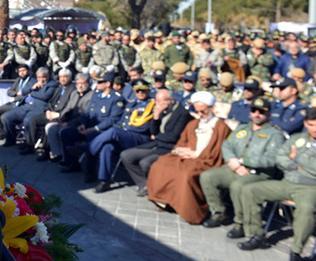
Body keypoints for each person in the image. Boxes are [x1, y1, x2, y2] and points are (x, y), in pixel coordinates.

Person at [237, 107, 316, 261]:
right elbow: (280, 158)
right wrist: (296, 164)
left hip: (311, 188)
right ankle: (256, 235)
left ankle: (296, 252)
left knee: (306, 209)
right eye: (312, 124)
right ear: (306, 123)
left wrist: (296, 157)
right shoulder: (296, 138)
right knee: (250, 190)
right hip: (287, 182)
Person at [199, 98, 285, 237]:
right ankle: (218, 212)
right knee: (208, 177)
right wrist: (233, 161)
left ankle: (241, 222)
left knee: (238, 186)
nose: (257, 114)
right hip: (235, 168)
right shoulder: (242, 128)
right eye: (254, 111)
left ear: (268, 114)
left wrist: (244, 161)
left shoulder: (275, 134)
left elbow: (272, 159)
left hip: (259, 174)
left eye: (261, 112)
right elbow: (227, 145)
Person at [146, 91, 230, 224]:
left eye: (203, 111)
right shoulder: (193, 124)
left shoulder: (221, 127)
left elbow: (216, 153)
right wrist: (181, 150)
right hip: (187, 157)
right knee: (160, 164)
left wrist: (196, 155)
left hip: (206, 160)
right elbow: (180, 143)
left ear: (211, 108)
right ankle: (164, 201)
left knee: (186, 174)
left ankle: (190, 210)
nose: (200, 115)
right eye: (198, 112)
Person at [85, 78, 155, 193]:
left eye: (143, 90)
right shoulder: (132, 104)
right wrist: (122, 129)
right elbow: (121, 122)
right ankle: (104, 181)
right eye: (138, 91)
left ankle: (88, 148)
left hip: (140, 138)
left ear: (148, 91)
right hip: (126, 136)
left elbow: (143, 127)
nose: (140, 93)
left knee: (113, 131)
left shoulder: (151, 105)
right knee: (107, 146)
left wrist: (123, 130)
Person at [120, 89, 192, 197]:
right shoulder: (162, 111)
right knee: (126, 155)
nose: (158, 105)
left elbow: (173, 136)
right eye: (157, 102)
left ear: (171, 100)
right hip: (156, 144)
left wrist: (157, 136)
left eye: (161, 102)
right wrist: (156, 116)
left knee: (145, 163)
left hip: (169, 147)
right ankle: (144, 184)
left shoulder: (182, 114)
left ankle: (156, 188)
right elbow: (152, 131)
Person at [1, 67, 58, 148]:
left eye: (43, 77)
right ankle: (10, 139)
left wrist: (31, 94)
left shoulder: (52, 84)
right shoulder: (34, 81)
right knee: (6, 117)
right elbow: (24, 91)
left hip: (39, 107)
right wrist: (32, 88)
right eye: (39, 77)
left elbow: (45, 96)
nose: (41, 80)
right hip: (26, 105)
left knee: (28, 121)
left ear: (48, 76)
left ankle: (28, 144)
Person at [0, 63, 33, 141]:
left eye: (24, 70)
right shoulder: (18, 80)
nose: (22, 72)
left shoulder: (32, 81)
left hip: (23, 104)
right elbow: (9, 92)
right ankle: (1, 134)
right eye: (20, 71)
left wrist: (19, 96)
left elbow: (29, 94)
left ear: (29, 71)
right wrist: (17, 93)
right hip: (14, 103)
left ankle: (11, 136)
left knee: (4, 116)